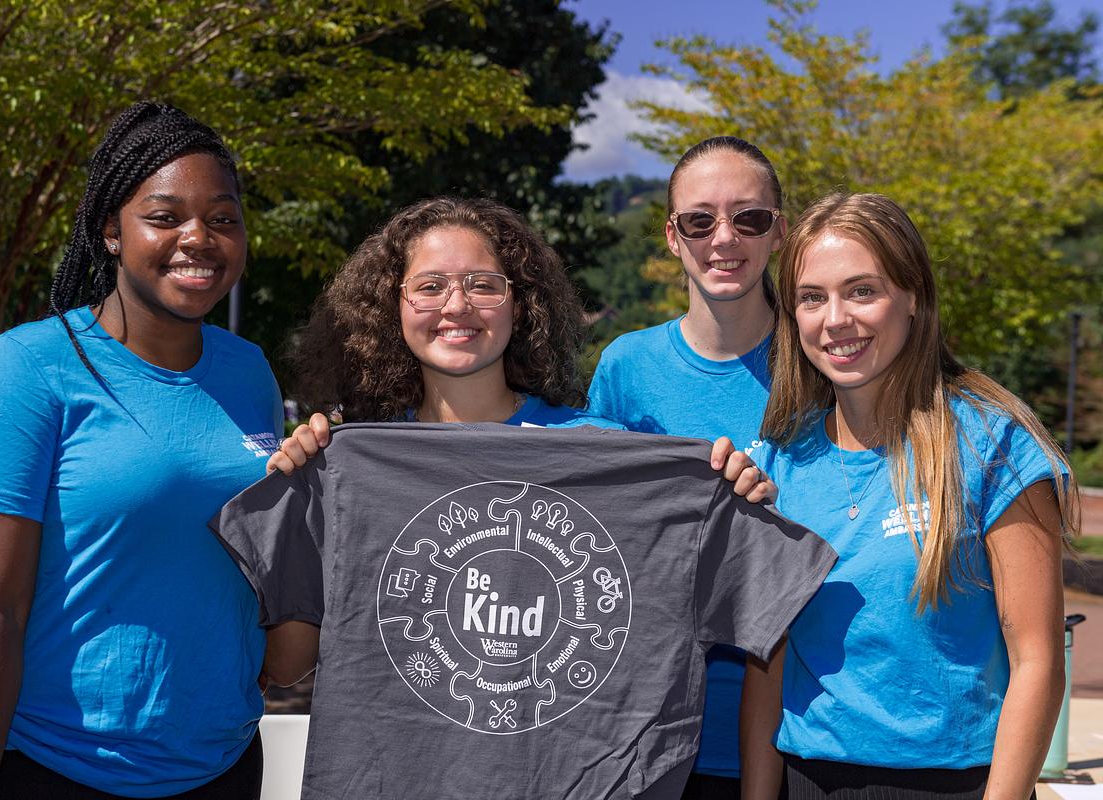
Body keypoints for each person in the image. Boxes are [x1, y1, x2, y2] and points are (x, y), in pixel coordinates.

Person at [263, 195, 776, 687]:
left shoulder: (601, 454)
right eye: (430, 285)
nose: (457, 305)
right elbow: (287, 668)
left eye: (484, 285)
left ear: (522, 304)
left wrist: (732, 505)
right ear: (390, 305)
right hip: (400, 776)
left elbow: (699, 607)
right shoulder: (352, 465)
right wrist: (300, 499)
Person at [0, 102, 281, 799]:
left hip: (225, 766)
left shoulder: (250, 373)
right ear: (110, 232)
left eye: (222, 217)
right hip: (62, 771)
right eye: (164, 216)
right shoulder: (26, 372)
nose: (199, 238)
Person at [742, 192, 1079, 800]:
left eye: (862, 291)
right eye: (812, 297)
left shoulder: (991, 446)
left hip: (959, 785)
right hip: (807, 780)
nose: (835, 318)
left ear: (913, 297)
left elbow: (1038, 661)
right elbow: (767, 667)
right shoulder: (779, 464)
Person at [588, 135, 787, 798]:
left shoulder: (826, 363)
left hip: (797, 733)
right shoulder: (626, 368)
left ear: (778, 232)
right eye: (700, 220)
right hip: (651, 735)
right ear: (673, 237)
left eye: (749, 218)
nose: (724, 238)